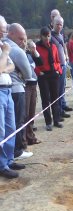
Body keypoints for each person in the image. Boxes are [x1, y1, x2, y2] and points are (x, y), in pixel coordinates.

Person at [0, 15, 25, 179]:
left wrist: (4, 66)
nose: (5, 32)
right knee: (1, 130)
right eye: (2, 29)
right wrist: (5, 54)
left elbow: (11, 65)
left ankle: (9, 160)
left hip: (8, 89)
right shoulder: (4, 48)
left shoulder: (1, 45)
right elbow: (2, 66)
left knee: (11, 128)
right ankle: (2, 165)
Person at [5, 23, 33, 160]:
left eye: (24, 39)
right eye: (20, 38)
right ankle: (17, 151)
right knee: (17, 122)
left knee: (10, 124)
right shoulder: (16, 50)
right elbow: (28, 74)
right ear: (11, 34)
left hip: (8, 88)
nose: (23, 42)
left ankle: (11, 153)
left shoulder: (4, 45)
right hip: (16, 89)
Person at [35, 26, 63, 131]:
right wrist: (38, 72)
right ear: (41, 36)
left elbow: (58, 61)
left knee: (55, 98)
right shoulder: (37, 47)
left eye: (48, 36)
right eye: (45, 36)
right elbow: (33, 63)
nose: (47, 38)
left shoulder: (54, 47)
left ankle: (56, 120)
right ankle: (48, 122)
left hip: (53, 74)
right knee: (45, 99)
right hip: (43, 76)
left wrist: (58, 71)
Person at [51, 15, 73, 119]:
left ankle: (61, 110)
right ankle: (57, 113)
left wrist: (66, 56)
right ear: (53, 24)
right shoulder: (50, 36)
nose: (59, 26)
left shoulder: (61, 35)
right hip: (56, 67)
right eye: (57, 24)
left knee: (62, 90)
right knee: (57, 92)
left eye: (61, 24)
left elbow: (63, 45)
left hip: (63, 65)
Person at [22, 38, 42, 145]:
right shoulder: (20, 53)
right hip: (25, 86)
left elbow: (40, 62)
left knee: (31, 114)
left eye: (25, 41)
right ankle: (24, 140)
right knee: (24, 114)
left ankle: (30, 137)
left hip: (34, 84)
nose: (25, 44)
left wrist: (35, 51)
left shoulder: (29, 54)